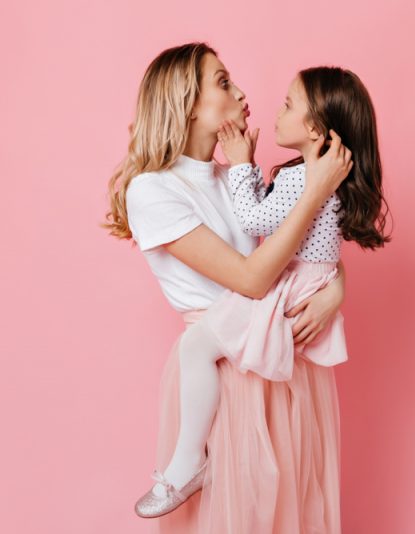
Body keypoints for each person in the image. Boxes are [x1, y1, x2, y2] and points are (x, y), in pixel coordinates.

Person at [105, 43, 361, 533]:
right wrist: (316, 189)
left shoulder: (234, 178)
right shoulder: (153, 190)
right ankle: (187, 467)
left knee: (286, 514)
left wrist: (335, 291)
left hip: (281, 362)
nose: (242, 93)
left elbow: (303, 252)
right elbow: (251, 277)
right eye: (223, 82)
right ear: (187, 101)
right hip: (225, 373)